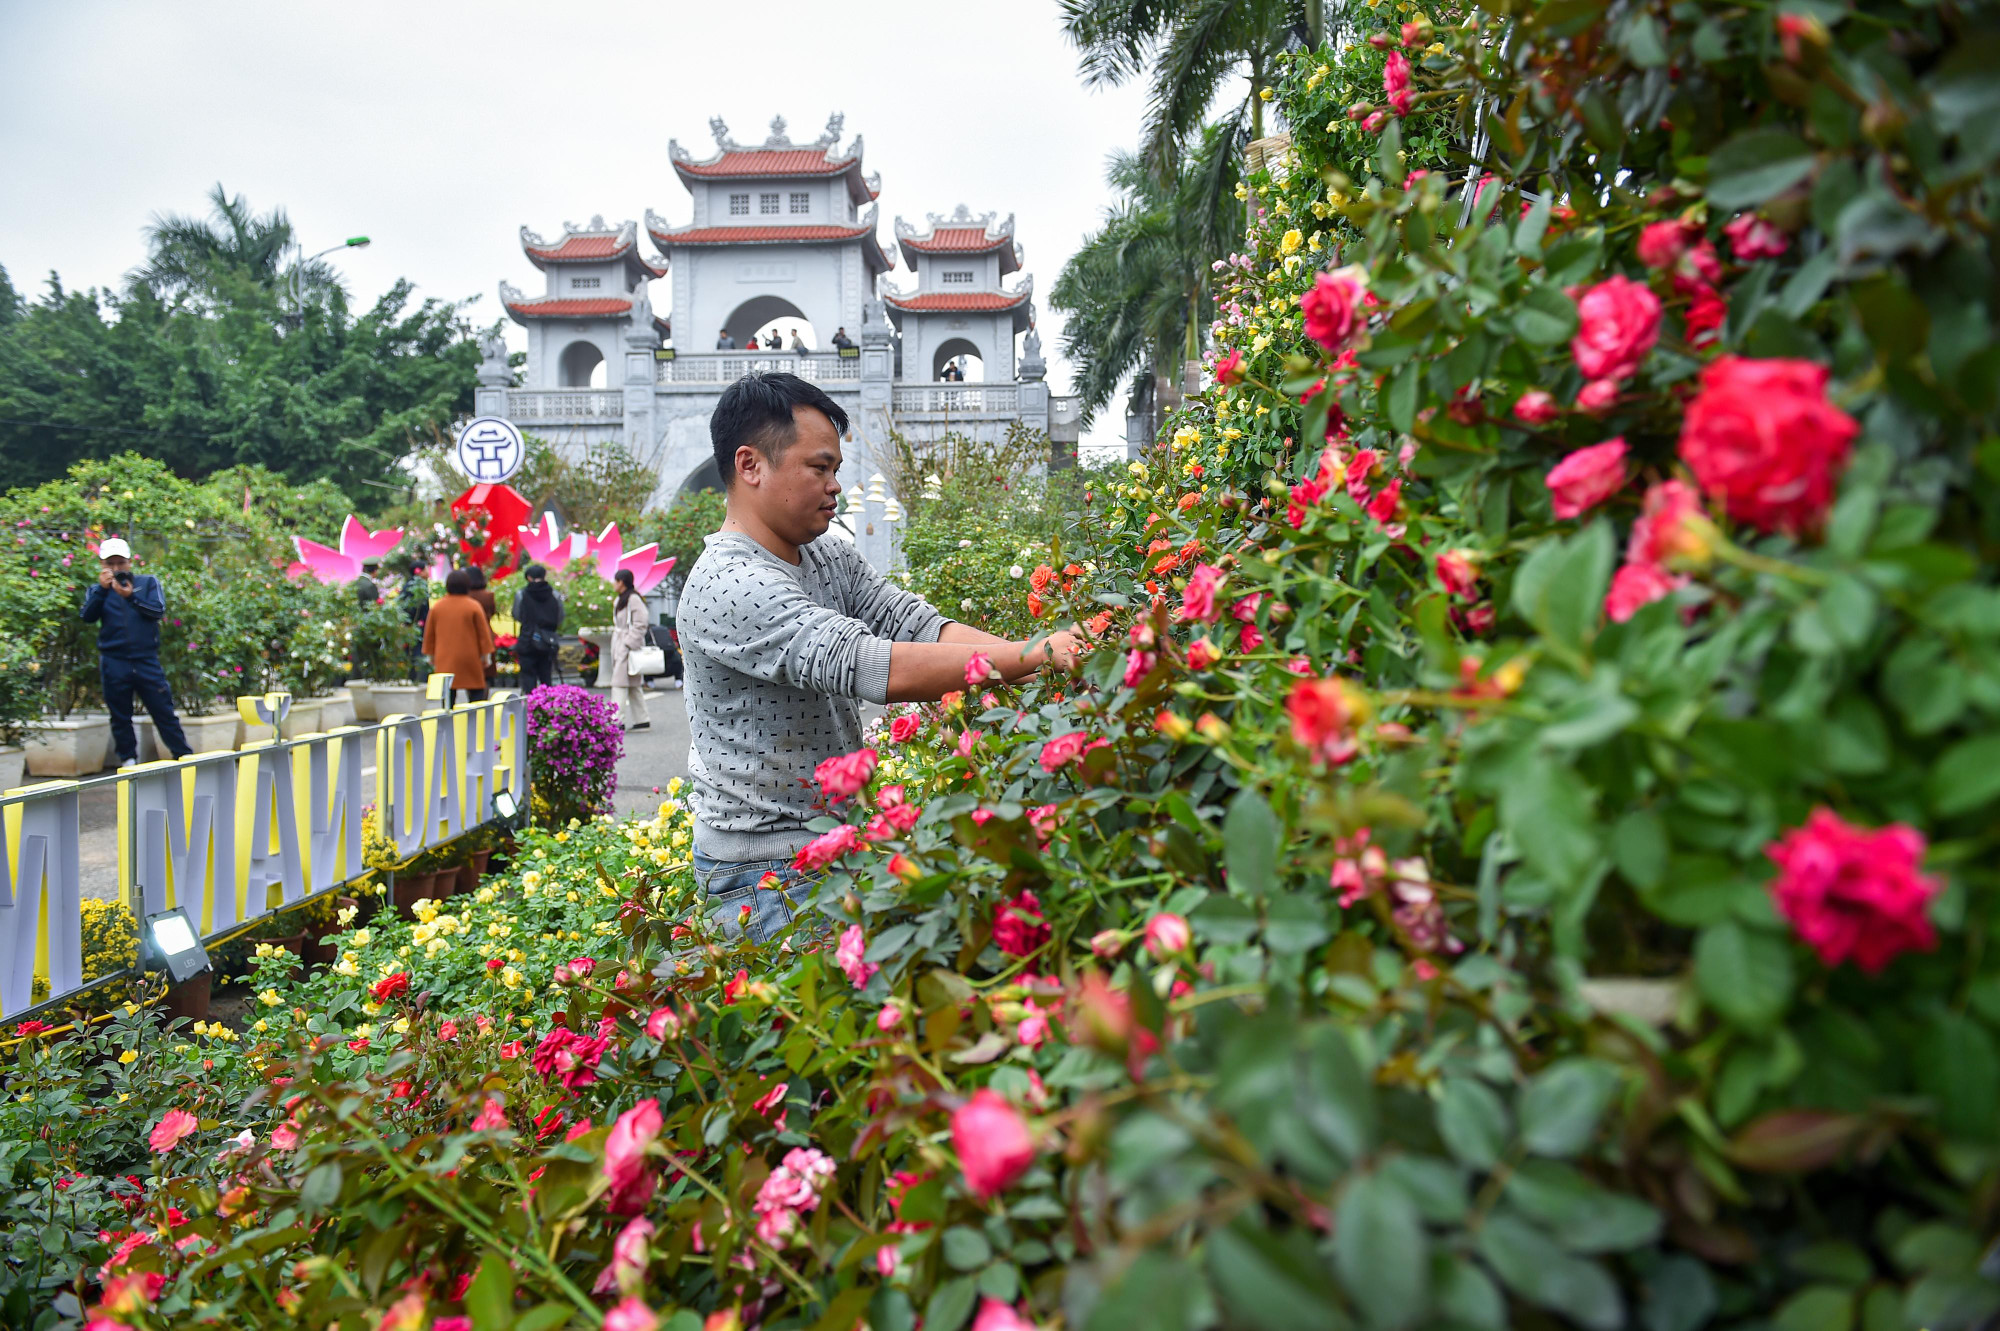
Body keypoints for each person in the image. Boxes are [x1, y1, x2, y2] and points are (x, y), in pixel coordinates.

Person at [679, 372, 1081, 944]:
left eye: (836, 470)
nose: (835, 486)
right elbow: (872, 667)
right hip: (764, 880)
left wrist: (1046, 653)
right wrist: (1036, 654)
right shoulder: (728, 583)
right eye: (819, 468)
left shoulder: (824, 554)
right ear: (751, 465)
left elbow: (918, 625)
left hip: (830, 848)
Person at [79, 537, 192, 769]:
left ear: (130, 562)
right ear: (102, 564)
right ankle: (128, 760)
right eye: (111, 564)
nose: (116, 568)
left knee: (163, 710)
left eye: (121, 562)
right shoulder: (96, 590)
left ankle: (183, 756)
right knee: (120, 714)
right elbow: (87, 617)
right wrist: (102, 590)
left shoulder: (147, 583)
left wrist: (130, 597)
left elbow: (157, 611)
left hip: (145, 659)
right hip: (114, 660)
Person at [421, 569, 495, 704]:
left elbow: (430, 634)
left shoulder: (438, 607)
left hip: (445, 657)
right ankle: (475, 720)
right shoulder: (473, 606)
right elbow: (483, 634)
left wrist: (430, 655)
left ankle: (448, 721)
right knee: (476, 692)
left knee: (448, 693)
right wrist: (486, 656)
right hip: (470, 657)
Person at [608, 568, 651, 731]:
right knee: (633, 684)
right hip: (623, 645)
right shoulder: (623, 599)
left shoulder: (632, 599)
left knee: (619, 684)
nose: (614, 584)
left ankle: (616, 720)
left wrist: (627, 643)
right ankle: (642, 720)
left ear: (622, 582)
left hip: (626, 646)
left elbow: (641, 622)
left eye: (616, 581)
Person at [511, 563, 564, 691]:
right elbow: (560, 617)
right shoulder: (555, 595)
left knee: (528, 676)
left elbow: (516, 615)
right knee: (546, 676)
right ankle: (547, 706)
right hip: (547, 641)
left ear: (528, 577)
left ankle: (529, 705)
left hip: (527, 640)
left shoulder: (522, 595)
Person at [398, 559, 432, 682]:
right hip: (416, 627)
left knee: (413, 654)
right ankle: (419, 680)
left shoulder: (412, 585)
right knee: (418, 655)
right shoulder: (415, 586)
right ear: (419, 572)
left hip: (413, 627)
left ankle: (414, 678)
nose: (428, 572)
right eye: (425, 570)